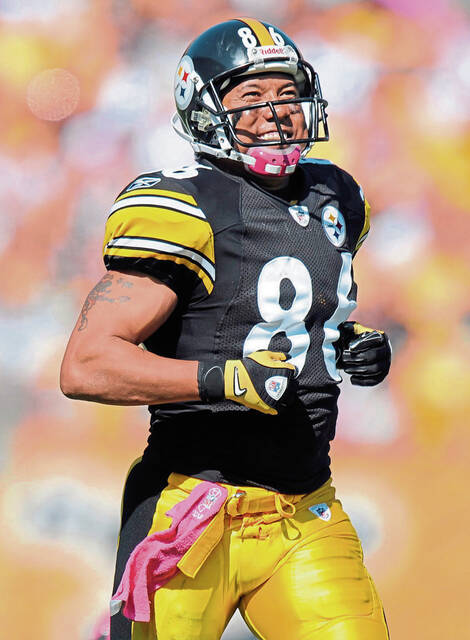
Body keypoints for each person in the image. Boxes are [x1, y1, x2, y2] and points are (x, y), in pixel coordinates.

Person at [61, 17, 392, 640]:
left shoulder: (336, 196)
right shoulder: (183, 205)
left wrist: (347, 344)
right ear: (206, 109)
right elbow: (86, 365)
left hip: (303, 509)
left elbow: (282, 312)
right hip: (190, 511)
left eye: (285, 93)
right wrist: (227, 380)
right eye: (250, 97)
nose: (275, 112)